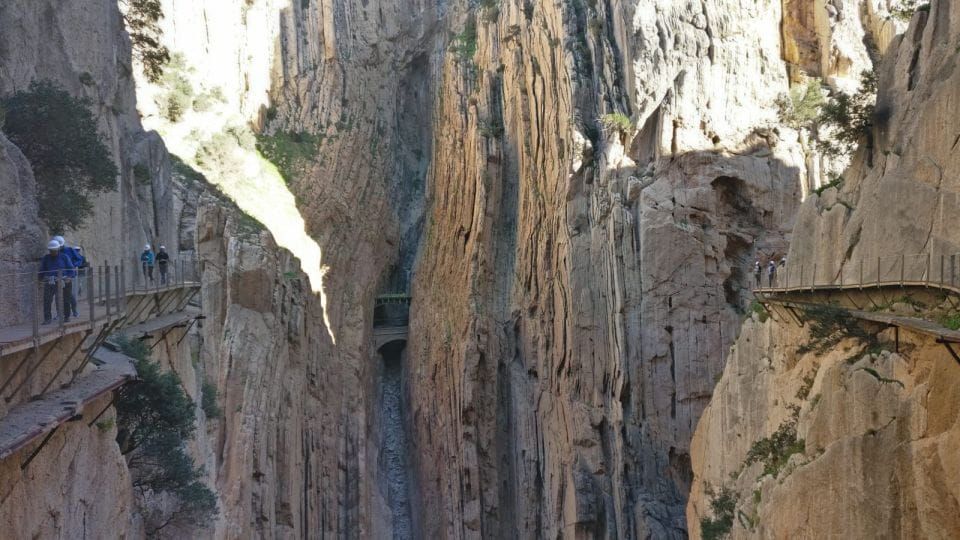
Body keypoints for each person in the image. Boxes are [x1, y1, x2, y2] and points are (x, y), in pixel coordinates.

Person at [38, 240, 76, 324]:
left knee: (66, 299)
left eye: (54, 250)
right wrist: (40, 278)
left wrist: (69, 277)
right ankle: (47, 319)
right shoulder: (46, 258)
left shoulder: (64, 257)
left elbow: (71, 269)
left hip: (64, 281)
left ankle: (67, 316)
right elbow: (42, 269)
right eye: (51, 251)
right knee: (47, 300)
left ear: (58, 249)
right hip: (50, 281)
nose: (53, 252)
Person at [54, 236, 84, 317]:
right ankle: (59, 313)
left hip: (69, 276)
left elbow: (80, 259)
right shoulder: (54, 252)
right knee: (57, 295)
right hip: (58, 276)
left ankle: (74, 310)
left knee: (69, 295)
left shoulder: (70, 250)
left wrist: (73, 265)